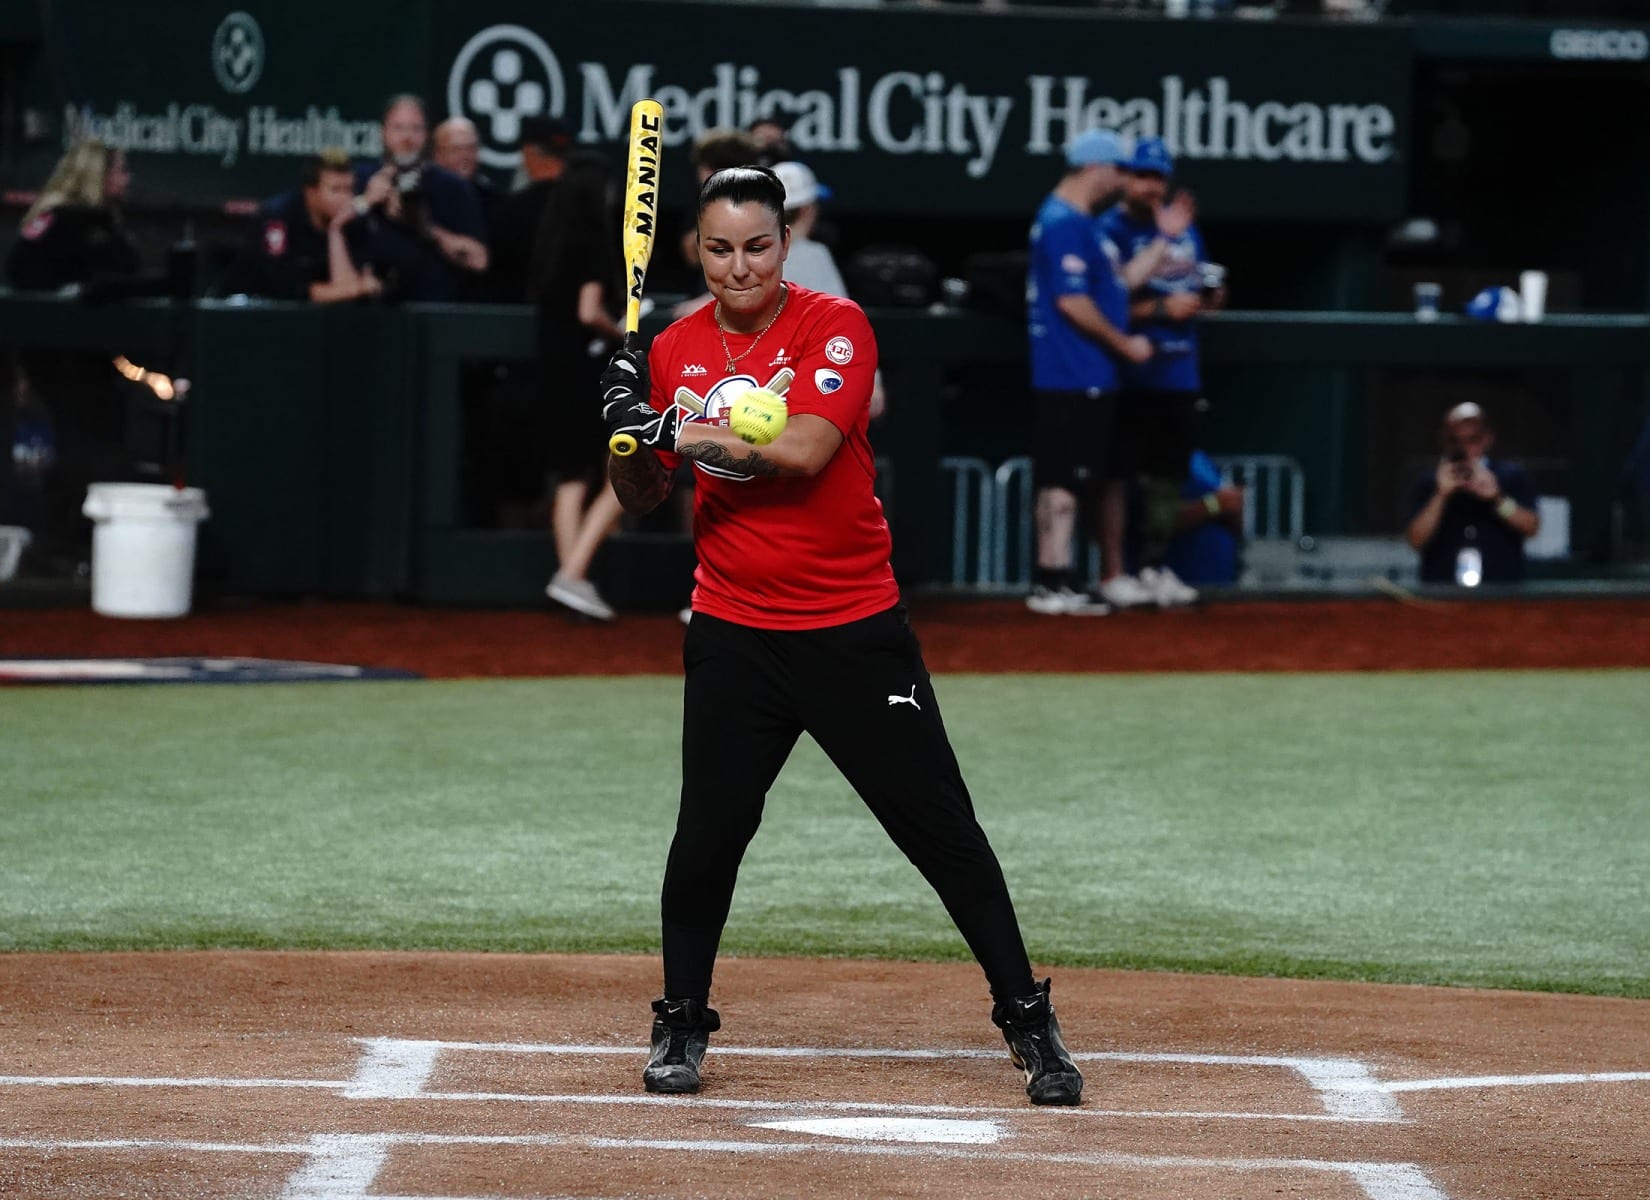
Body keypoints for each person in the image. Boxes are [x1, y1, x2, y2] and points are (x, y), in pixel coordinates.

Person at [598, 166, 1083, 1107]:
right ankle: (681, 1022)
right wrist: (624, 436)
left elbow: (803, 451)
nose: (740, 266)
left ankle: (1029, 1020)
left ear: (786, 243)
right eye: (719, 249)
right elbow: (643, 496)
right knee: (708, 836)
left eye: (758, 246)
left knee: (941, 832)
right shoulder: (672, 347)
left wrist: (669, 425)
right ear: (697, 249)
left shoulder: (836, 326)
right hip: (734, 632)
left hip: (854, 631)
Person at [1024, 128, 1153, 615]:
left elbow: (1116, 285)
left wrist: (1163, 241)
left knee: (1072, 480)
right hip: (1070, 371)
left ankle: (1058, 578)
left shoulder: (1083, 224)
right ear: (1095, 167)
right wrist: (1125, 344)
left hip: (1087, 373)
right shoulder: (1063, 222)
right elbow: (1072, 302)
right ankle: (1052, 581)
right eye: (1118, 169)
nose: (1122, 180)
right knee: (1062, 481)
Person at [4, 138, 144, 573]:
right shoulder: (66, 221)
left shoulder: (96, 222)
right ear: (98, 174)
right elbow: (25, 278)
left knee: (90, 449)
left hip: (89, 363)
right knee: (76, 451)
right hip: (62, 363)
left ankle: (79, 546)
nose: (127, 178)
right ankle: (60, 548)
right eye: (119, 169)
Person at [1097, 136, 1210, 609]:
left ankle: (1153, 567)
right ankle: (1114, 572)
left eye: (1157, 178)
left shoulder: (1186, 230)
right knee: (1117, 475)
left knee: (1168, 474)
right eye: (1142, 176)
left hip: (1179, 370)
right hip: (1128, 372)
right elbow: (1109, 299)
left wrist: (1207, 297)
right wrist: (1162, 308)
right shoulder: (1109, 228)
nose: (1150, 186)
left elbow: (1198, 286)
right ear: (1126, 178)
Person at [535, 153, 627, 621]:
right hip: (585, 373)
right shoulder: (592, 241)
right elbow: (589, 311)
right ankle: (572, 575)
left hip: (553, 371)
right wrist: (623, 332)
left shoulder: (550, 241)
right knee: (621, 472)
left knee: (572, 479)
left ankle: (572, 580)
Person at [771, 160, 885, 418]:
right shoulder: (813, 256)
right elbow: (842, 324)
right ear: (808, 210)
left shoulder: (751, 255)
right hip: (798, 395)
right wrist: (871, 382)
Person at [352, 95, 489, 300]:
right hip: (372, 307)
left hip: (435, 306)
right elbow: (331, 232)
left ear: (427, 135)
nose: (407, 138)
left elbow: (479, 261)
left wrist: (426, 228)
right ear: (383, 132)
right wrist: (366, 201)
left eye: (416, 129)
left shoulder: (452, 186)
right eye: (398, 128)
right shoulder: (360, 179)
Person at [1405, 402, 1539, 584]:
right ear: (1444, 440)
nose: (1464, 449)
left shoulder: (1510, 476)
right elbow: (1416, 540)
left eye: (1472, 440)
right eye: (1455, 441)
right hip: (1443, 587)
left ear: (1487, 438)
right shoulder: (1429, 480)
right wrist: (1441, 495)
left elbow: (1531, 527)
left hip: (1501, 586)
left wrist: (1497, 499)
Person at [221, 150, 381, 303]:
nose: (345, 198)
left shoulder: (352, 222)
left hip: (320, 317)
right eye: (336, 190)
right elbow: (282, 289)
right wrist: (354, 290)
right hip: (251, 310)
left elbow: (346, 290)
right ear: (311, 192)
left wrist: (336, 230)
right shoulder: (277, 218)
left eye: (349, 189)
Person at [487, 117, 574, 302]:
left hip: (520, 313)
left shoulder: (510, 212)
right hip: (573, 314)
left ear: (527, 153)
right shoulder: (586, 206)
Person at [431, 116, 501, 237]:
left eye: (471, 148)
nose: (465, 156)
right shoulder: (424, 201)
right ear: (438, 155)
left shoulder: (493, 200)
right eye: (456, 149)